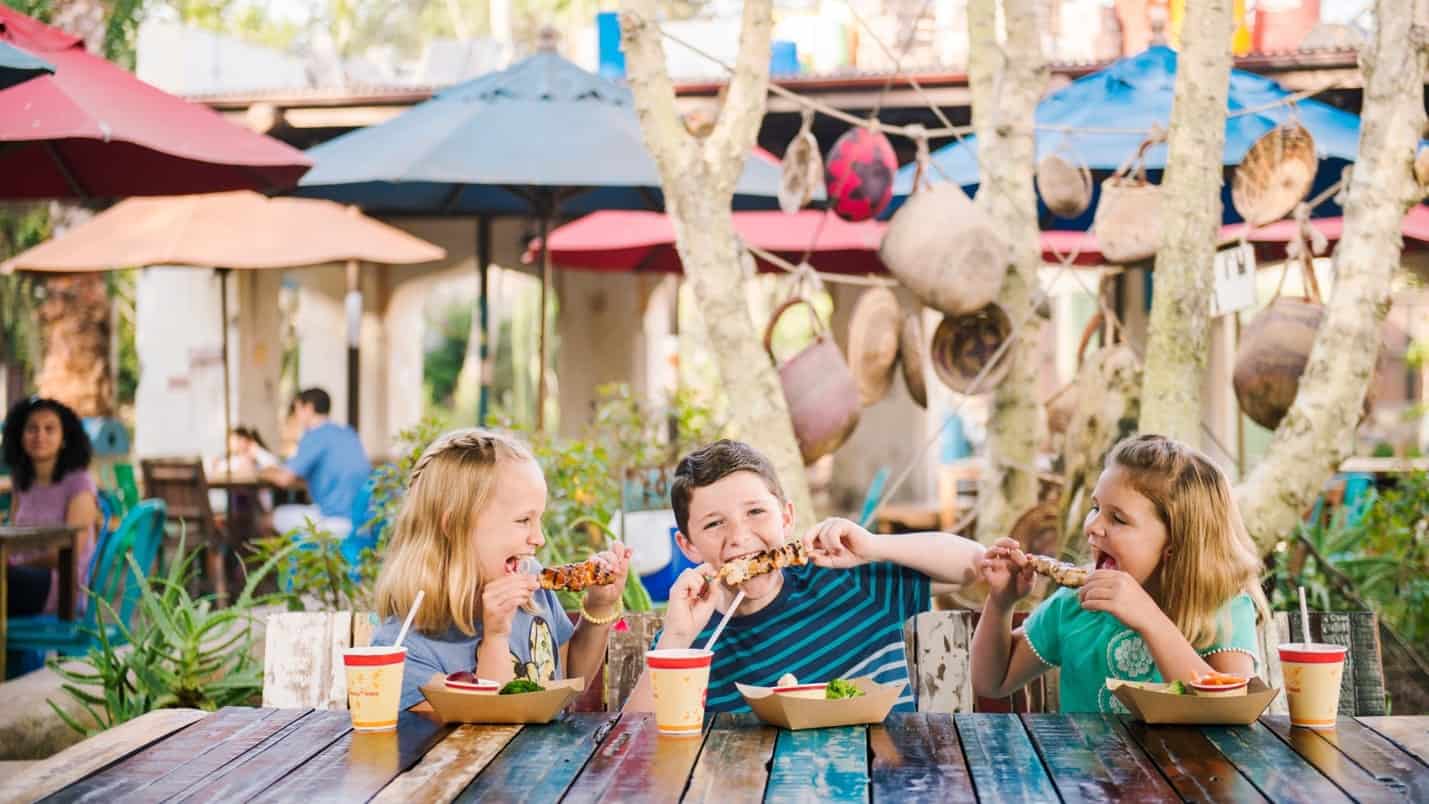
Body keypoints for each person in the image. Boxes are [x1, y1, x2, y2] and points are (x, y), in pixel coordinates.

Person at [624, 439, 986, 714]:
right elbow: (632, 745)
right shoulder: (688, 642)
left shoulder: (849, 580)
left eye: (755, 512)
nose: (739, 536)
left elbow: (975, 565)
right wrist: (676, 637)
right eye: (715, 523)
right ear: (688, 546)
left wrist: (875, 546)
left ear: (786, 518)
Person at [971, 434, 1269, 713]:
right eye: (1095, 507)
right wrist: (1001, 603)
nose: (1092, 526)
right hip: (1086, 769)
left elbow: (1230, 710)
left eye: (1118, 519)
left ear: (1175, 543)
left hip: (1188, 769)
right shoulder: (1076, 604)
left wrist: (1149, 619)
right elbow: (992, 682)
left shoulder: (1220, 609)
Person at [370, 429, 633, 711]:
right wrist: (495, 637)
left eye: (539, 519)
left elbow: (569, 678)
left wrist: (600, 606)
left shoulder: (532, 593)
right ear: (454, 526)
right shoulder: (405, 650)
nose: (539, 538)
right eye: (523, 520)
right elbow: (485, 742)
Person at [2, 397, 100, 617]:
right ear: (20, 435)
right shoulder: (22, 481)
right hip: (20, 577)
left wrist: (16, 562)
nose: (40, 436)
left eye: (49, 429)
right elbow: (12, 537)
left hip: (63, 585)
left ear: (64, 437)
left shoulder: (79, 482)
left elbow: (71, 550)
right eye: (32, 429)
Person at [262, 388, 370, 539]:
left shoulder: (315, 436)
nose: (296, 415)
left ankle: (282, 562)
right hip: (361, 520)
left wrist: (264, 471)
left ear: (308, 408)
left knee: (267, 519)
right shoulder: (348, 433)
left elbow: (284, 479)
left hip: (334, 519)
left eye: (297, 409)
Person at [208, 426, 279, 514]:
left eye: (235, 440)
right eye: (231, 441)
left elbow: (274, 464)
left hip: (260, 503)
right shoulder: (232, 459)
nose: (231, 444)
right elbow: (217, 468)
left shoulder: (258, 456)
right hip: (238, 499)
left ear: (245, 440)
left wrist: (256, 450)